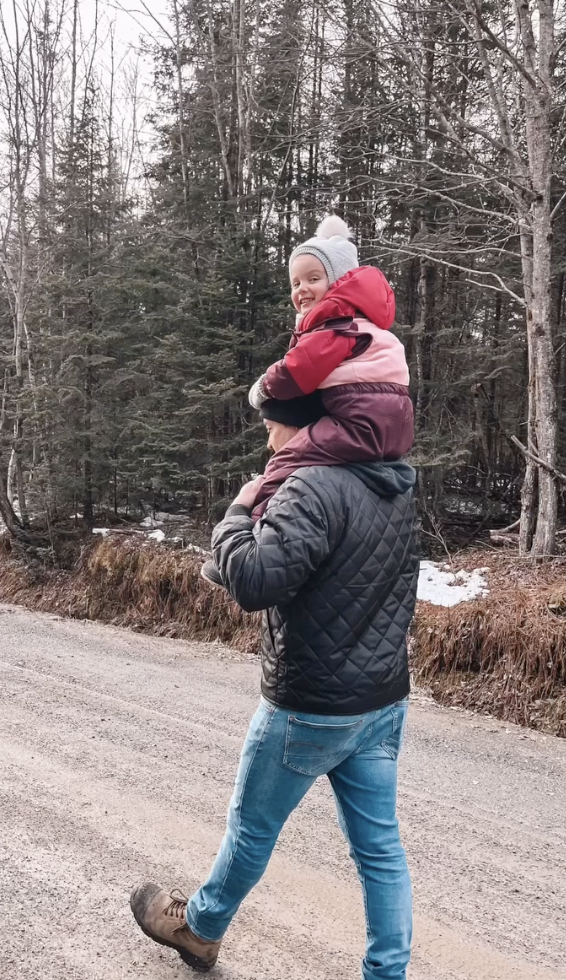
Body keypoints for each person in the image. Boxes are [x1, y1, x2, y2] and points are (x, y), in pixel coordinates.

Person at [130, 394, 419, 980]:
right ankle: (387, 975)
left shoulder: (309, 485)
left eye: (271, 426)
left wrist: (237, 514)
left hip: (310, 705)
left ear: (309, 423)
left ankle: (200, 930)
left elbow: (255, 583)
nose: (268, 442)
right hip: (382, 700)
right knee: (381, 852)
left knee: (252, 828)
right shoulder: (393, 480)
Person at [248, 215, 414, 519]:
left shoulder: (336, 325)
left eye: (314, 279)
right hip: (394, 428)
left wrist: (262, 388)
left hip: (357, 423)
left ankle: (255, 524)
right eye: (296, 283)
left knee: (285, 460)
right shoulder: (364, 324)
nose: (302, 289)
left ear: (339, 282)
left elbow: (297, 372)